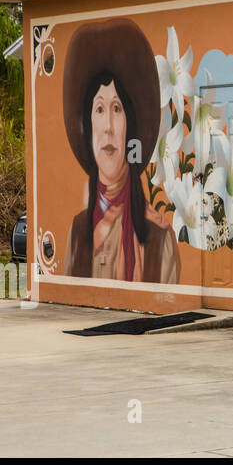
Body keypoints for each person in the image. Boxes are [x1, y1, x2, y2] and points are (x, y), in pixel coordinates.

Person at [62, 18, 179, 283]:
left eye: (117, 109)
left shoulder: (159, 237)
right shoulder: (78, 232)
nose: (109, 128)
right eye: (100, 110)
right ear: (88, 125)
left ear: (130, 126)